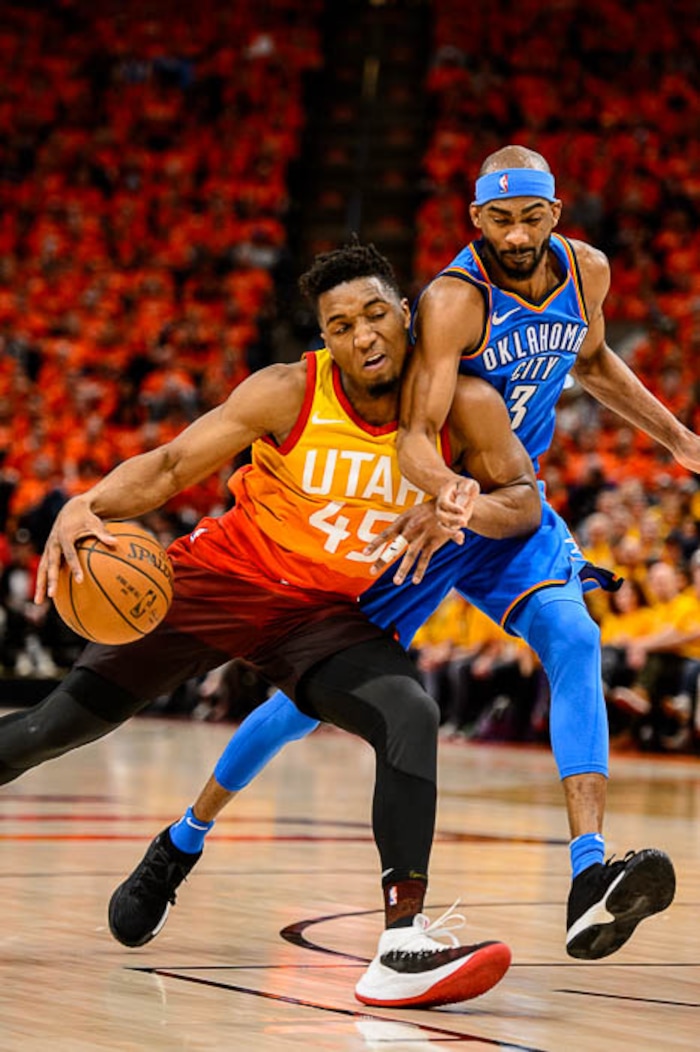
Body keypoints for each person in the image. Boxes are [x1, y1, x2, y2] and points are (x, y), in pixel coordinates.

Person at [112, 146, 685, 966]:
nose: (516, 234)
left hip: (508, 507)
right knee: (310, 697)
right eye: (499, 218)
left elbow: (590, 362)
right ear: (474, 220)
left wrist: (679, 439)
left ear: (556, 214)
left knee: (578, 640)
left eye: (531, 217)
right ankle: (182, 838)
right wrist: (446, 490)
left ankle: (589, 877)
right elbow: (417, 434)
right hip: (425, 513)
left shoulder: (586, 271)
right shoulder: (453, 300)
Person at [0, 241, 547, 1009]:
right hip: (219, 582)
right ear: (323, 339)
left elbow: (523, 498)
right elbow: (168, 467)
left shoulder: (465, 405)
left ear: (407, 314)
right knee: (51, 729)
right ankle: (174, 848)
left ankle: (400, 944)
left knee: (410, 711)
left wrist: (465, 504)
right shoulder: (290, 391)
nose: (363, 335)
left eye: (375, 314)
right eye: (340, 324)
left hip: (318, 613)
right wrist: (87, 503)